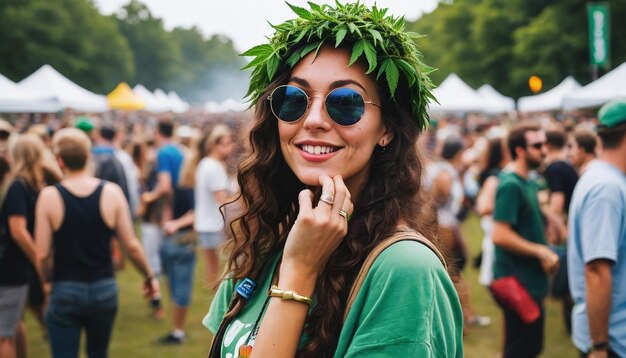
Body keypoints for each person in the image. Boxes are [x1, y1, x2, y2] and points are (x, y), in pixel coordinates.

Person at [204, 3, 463, 357]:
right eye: (294, 99)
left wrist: (298, 272)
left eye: (345, 103)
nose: (313, 120)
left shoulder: (403, 272)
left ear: (386, 128)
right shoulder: (264, 242)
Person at [34, 128, 159, 358]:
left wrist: (46, 283)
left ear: (59, 160)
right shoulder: (111, 192)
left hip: (65, 288)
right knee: (98, 353)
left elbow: (41, 254)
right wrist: (149, 276)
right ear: (88, 156)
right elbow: (131, 245)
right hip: (104, 289)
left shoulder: (49, 197)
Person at [492, 123, 560, 358]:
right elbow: (499, 234)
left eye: (546, 144)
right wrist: (540, 251)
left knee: (530, 348)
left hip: (530, 280)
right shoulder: (510, 184)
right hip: (518, 281)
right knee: (520, 351)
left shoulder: (528, 180)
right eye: (538, 145)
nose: (544, 150)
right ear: (520, 150)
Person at [568, 100, 626, 358]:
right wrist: (599, 346)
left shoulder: (602, 177)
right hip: (612, 340)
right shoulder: (607, 188)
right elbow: (596, 270)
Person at [141, 120, 194, 345]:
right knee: (171, 273)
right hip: (179, 222)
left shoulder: (164, 153)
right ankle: (174, 323)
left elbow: (166, 186)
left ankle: (173, 325)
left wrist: (149, 198)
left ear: (156, 132)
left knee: (167, 272)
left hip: (177, 228)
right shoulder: (182, 152)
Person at [0, 134, 49, 358]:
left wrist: (37, 259)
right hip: (19, 265)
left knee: (3, 334)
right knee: (14, 323)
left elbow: (18, 231)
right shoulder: (34, 185)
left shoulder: (18, 186)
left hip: (12, 266)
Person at [193, 124, 235, 285]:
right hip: (215, 225)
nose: (230, 147)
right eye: (225, 144)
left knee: (213, 269)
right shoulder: (214, 167)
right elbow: (223, 201)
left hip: (205, 224)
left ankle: (215, 300)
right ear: (214, 145)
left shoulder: (205, 163)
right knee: (222, 270)